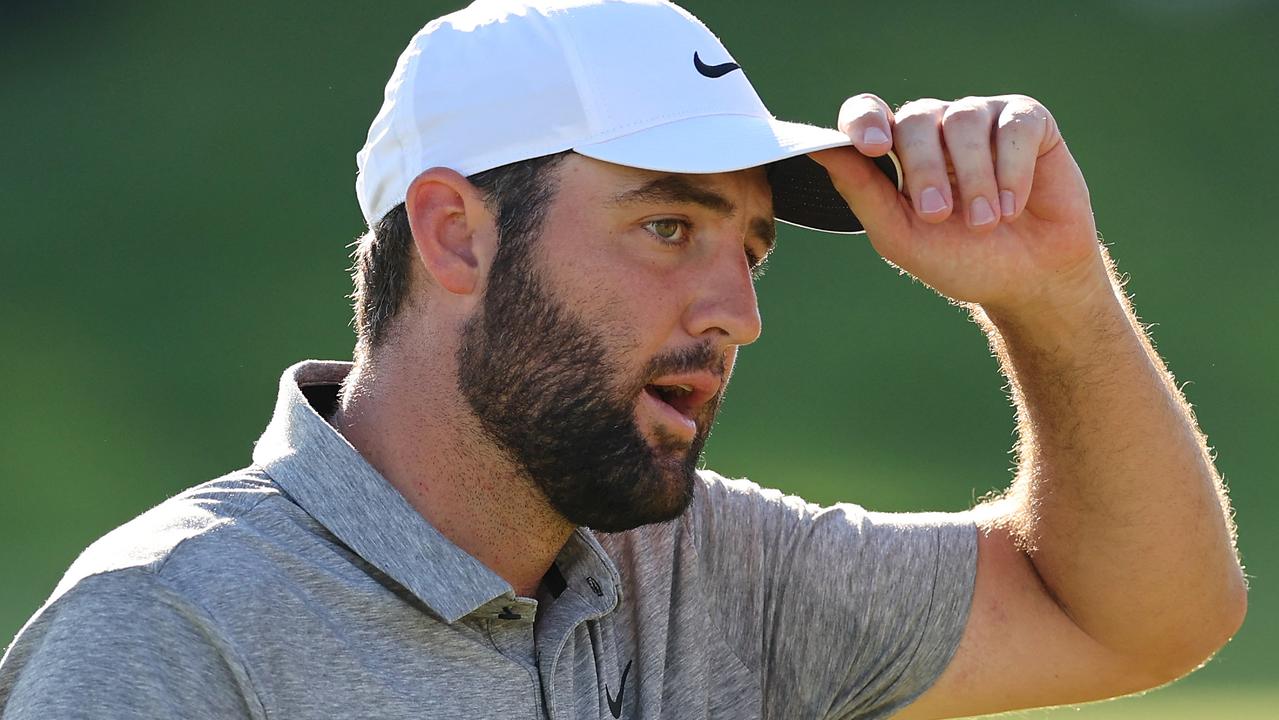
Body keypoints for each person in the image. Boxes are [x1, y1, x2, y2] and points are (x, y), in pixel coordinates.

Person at [0, 0, 1246, 718]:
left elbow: (1141, 620)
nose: (736, 311)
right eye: (667, 226)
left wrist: (1054, 294)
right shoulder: (165, 635)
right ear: (454, 234)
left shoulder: (710, 570)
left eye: (750, 246)